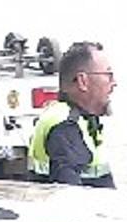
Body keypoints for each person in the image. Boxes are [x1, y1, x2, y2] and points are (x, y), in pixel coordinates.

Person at [27, 41, 115, 187]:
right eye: (108, 75)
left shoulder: (81, 120)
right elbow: (70, 197)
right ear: (82, 81)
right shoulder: (66, 126)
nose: (114, 83)